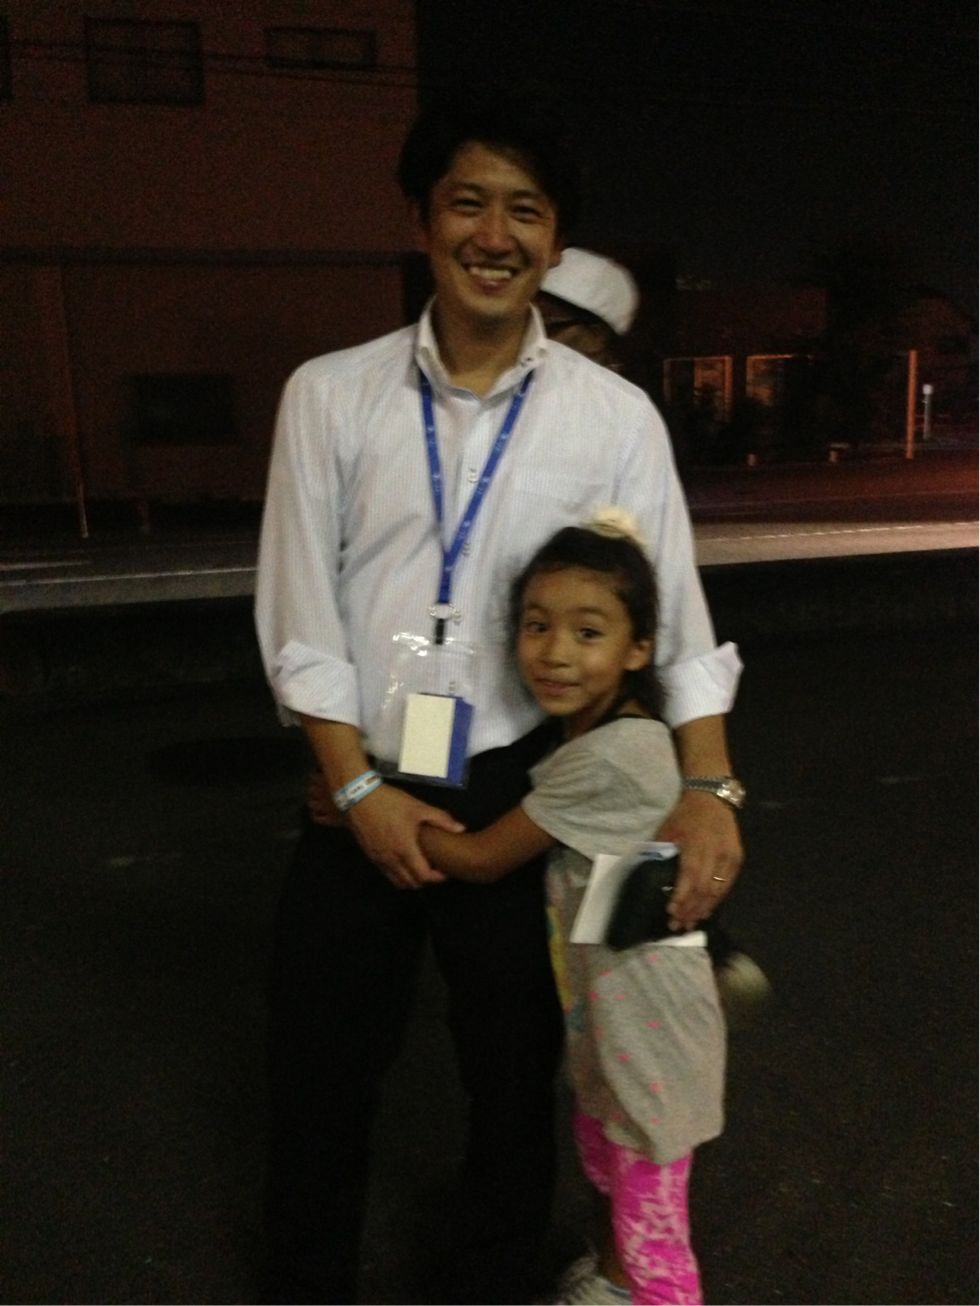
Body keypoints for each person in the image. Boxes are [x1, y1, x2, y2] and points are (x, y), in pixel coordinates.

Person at [254, 84, 744, 1303]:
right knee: (319, 1058)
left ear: (553, 238)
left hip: (527, 782)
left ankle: (488, 1278)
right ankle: (304, 1282)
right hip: (358, 781)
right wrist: (353, 785)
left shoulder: (611, 416)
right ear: (421, 221)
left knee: (517, 1062)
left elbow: (677, 620)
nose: (493, 234)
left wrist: (710, 787)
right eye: (465, 202)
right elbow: (300, 621)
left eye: (523, 210)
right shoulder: (329, 394)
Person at [407, 511, 723, 1304]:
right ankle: (614, 1277)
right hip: (615, 1000)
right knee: (615, 1157)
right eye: (536, 625)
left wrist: (366, 808)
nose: (554, 652)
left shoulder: (614, 754)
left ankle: (644, 1290)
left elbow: (483, 859)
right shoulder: (596, 734)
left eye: (588, 632)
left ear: (638, 648)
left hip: (646, 1019)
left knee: (654, 1217)